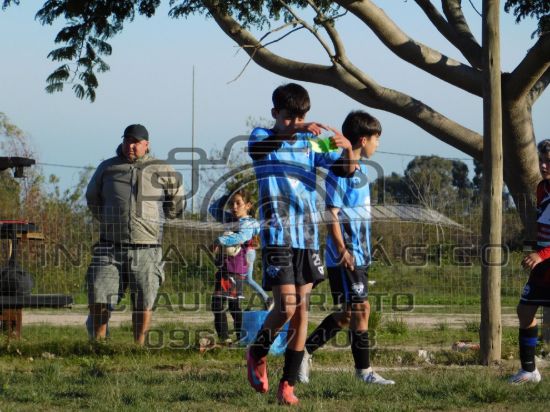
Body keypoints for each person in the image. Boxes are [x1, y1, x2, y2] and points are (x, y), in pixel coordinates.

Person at [246, 83, 355, 405]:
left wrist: (348, 148)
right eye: (289, 117)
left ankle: (287, 385)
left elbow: (346, 169)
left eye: (301, 117)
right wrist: (296, 130)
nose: (296, 122)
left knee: (301, 312)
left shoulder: (312, 142)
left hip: (306, 238)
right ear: (275, 113)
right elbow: (261, 150)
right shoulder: (261, 137)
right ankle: (257, 351)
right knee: (287, 306)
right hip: (277, 236)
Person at [297, 110, 394, 385]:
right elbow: (332, 215)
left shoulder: (358, 169)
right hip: (346, 255)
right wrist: (343, 250)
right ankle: (364, 372)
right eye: (376, 139)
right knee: (362, 310)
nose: (377, 145)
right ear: (363, 139)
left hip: (359, 253)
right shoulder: (341, 171)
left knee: (349, 314)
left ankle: (304, 351)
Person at [86, 124, 184, 345]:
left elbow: (177, 199)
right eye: (127, 141)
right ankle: (98, 345)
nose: (130, 146)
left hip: (147, 247)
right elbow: (92, 197)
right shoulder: (107, 168)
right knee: (99, 296)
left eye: (136, 142)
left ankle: (138, 347)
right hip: (109, 246)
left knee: (144, 301)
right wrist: (108, 219)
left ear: (146, 145)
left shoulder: (162, 168)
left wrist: (163, 219)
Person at [508, 139, 550, 384]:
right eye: (541, 160)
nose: (543, 166)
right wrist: (533, 249)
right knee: (524, 311)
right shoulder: (542, 188)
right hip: (543, 264)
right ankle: (529, 371)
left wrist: (541, 255)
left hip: (545, 258)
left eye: (549, 162)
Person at [208, 189, 261, 344]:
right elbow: (213, 209)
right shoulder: (230, 219)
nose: (234, 207)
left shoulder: (248, 223)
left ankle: (227, 338)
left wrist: (220, 240)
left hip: (233, 269)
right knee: (233, 306)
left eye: (238, 203)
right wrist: (228, 194)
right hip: (227, 269)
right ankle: (241, 338)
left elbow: (241, 237)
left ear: (248, 205)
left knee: (218, 304)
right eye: (232, 203)